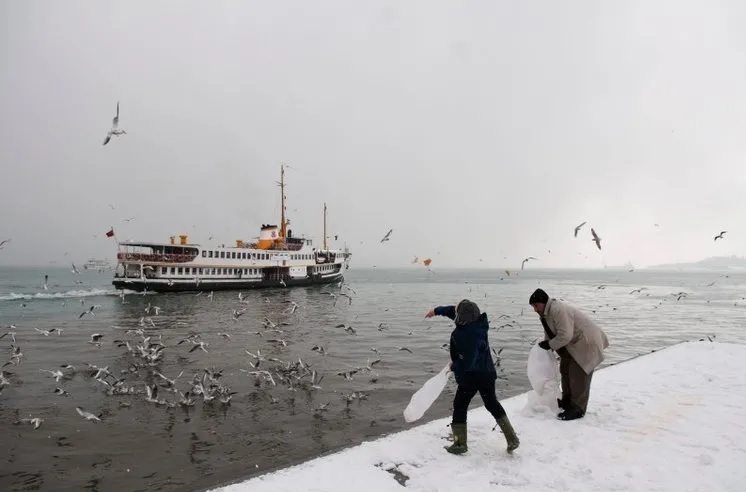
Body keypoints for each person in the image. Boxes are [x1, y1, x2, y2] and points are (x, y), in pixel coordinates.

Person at [425, 299, 519, 454]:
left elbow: (468, 361)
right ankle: (512, 438)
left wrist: (454, 366)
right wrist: (436, 311)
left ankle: (460, 444)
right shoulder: (479, 325)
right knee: (491, 403)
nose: (455, 315)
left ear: (461, 319)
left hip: (471, 377)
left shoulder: (463, 334)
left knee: (460, 405)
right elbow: (453, 312)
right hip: (487, 374)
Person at [528, 288, 609, 421]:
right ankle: (567, 402)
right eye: (533, 307)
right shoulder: (546, 314)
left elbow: (565, 335)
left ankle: (578, 409)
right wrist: (546, 346)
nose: (535, 309)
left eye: (536, 306)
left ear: (543, 302)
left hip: (586, 343)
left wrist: (550, 345)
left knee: (578, 375)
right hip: (572, 345)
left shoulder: (557, 309)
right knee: (565, 370)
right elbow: (550, 332)